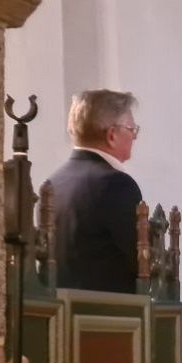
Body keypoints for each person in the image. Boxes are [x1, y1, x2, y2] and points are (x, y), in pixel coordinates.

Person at [47, 89, 143, 293]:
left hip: (59, 308)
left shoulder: (54, 182)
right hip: (107, 309)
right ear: (112, 135)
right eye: (132, 129)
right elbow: (143, 264)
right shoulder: (116, 184)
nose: (134, 137)